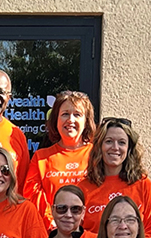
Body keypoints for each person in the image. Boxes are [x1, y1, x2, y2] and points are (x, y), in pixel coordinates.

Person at [79, 118, 151, 238]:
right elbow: (77, 234)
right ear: (99, 146)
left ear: (129, 149)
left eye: (121, 142)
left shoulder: (142, 184)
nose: (115, 147)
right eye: (108, 141)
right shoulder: (84, 188)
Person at [22, 91, 97, 223]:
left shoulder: (97, 155)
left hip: (91, 235)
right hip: (52, 235)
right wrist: (54, 224)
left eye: (77, 114)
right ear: (56, 119)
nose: (70, 120)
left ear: (86, 121)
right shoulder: (41, 158)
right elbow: (32, 198)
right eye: (65, 114)